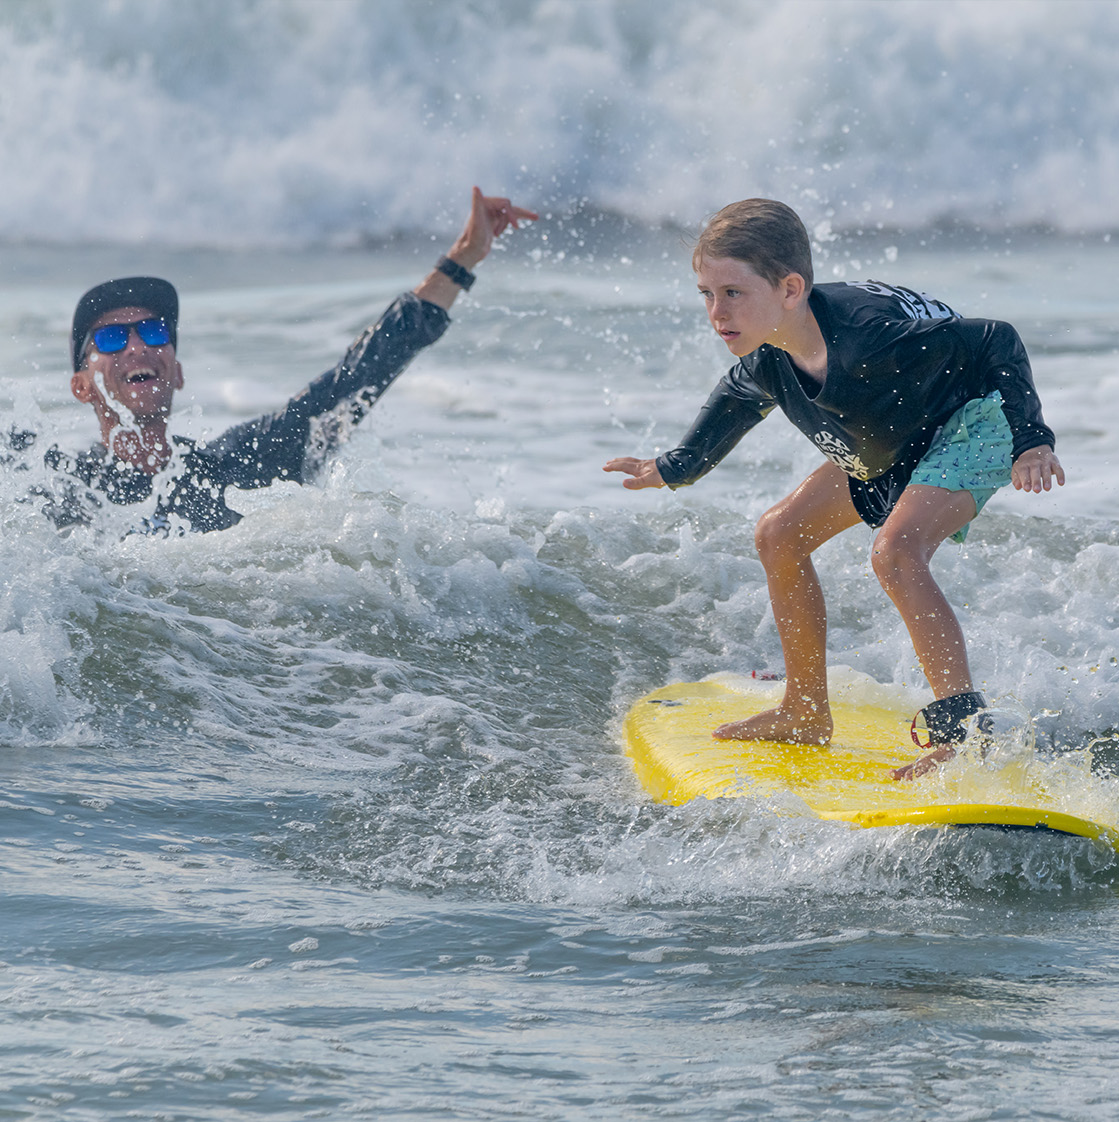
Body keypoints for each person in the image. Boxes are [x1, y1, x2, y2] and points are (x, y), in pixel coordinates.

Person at [604, 199, 1064, 780]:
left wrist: (1033, 441)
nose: (715, 312)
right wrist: (670, 467)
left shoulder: (870, 339)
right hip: (886, 430)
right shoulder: (767, 359)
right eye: (706, 293)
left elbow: (995, 340)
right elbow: (730, 410)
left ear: (790, 289)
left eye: (733, 293)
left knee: (896, 553)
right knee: (779, 533)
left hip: (969, 419)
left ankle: (965, 736)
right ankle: (804, 711)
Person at [16, 187, 535, 534]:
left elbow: (356, 378)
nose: (136, 345)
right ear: (81, 386)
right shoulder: (57, 488)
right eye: (109, 338)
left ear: (175, 371)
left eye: (153, 330)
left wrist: (463, 257)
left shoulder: (238, 467)